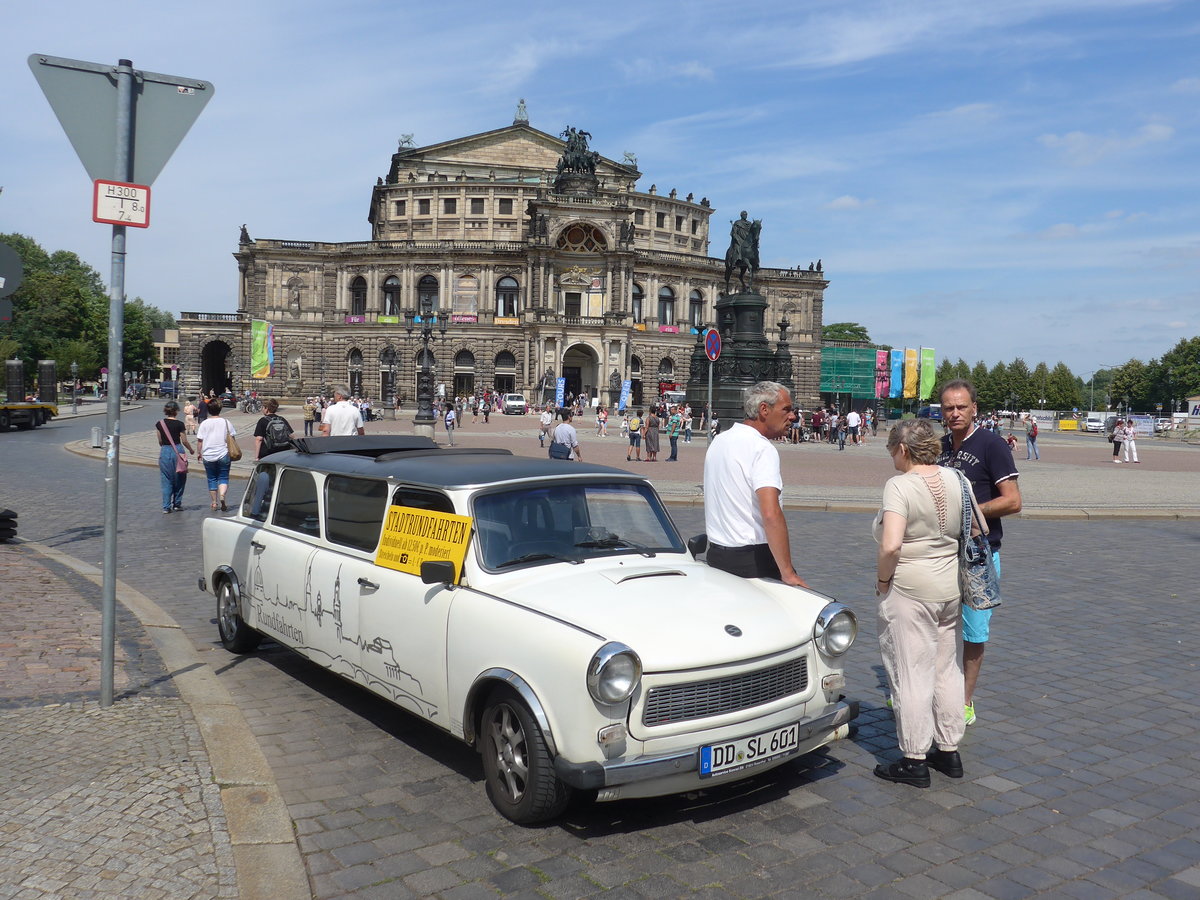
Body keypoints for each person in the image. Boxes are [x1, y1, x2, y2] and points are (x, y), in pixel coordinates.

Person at [873, 418, 967, 787]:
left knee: (911, 673)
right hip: (948, 586)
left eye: (891, 450)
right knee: (946, 668)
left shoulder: (900, 485)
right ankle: (949, 750)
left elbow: (891, 544)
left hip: (911, 587)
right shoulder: (955, 478)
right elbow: (975, 529)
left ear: (903, 449)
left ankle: (914, 758)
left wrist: (883, 581)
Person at [937, 379, 1021, 726]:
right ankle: (931, 691)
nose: (954, 413)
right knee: (935, 626)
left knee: (973, 633)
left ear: (974, 409)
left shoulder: (992, 445)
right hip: (940, 554)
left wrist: (970, 513)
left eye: (961, 407)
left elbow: (1013, 500)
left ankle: (965, 702)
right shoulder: (938, 446)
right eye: (948, 408)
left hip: (978, 555)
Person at [702, 381, 809, 586]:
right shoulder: (761, 449)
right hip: (754, 562)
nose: (792, 416)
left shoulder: (720, 441)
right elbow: (770, 513)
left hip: (716, 555)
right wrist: (787, 572)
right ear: (764, 410)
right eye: (786, 409)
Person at [195, 399, 236, 512]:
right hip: (223, 454)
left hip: (208, 455)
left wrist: (199, 453)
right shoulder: (226, 422)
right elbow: (232, 438)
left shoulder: (204, 423)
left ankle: (214, 502)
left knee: (211, 478)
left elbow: (200, 441)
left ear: (208, 410)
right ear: (220, 409)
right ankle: (222, 496)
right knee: (223, 477)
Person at [156, 401, 194, 514]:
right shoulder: (180, 424)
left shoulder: (160, 424)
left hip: (165, 451)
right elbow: (184, 441)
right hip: (178, 451)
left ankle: (166, 507)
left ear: (165, 411)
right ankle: (177, 504)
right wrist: (191, 450)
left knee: (166, 479)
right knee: (180, 478)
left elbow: (160, 441)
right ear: (176, 411)